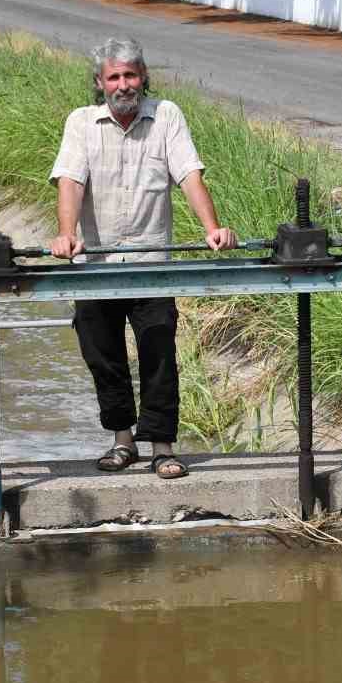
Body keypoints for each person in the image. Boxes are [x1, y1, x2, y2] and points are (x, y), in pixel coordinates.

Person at [49, 38, 237, 480]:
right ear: (100, 83)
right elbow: (71, 182)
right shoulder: (81, 123)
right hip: (95, 267)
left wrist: (213, 227)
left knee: (158, 353)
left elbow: (189, 174)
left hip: (151, 261)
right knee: (102, 355)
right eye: (113, 77)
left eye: (130, 75)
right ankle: (122, 441)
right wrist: (66, 235)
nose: (123, 85)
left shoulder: (166, 115)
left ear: (143, 77)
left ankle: (162, 448)